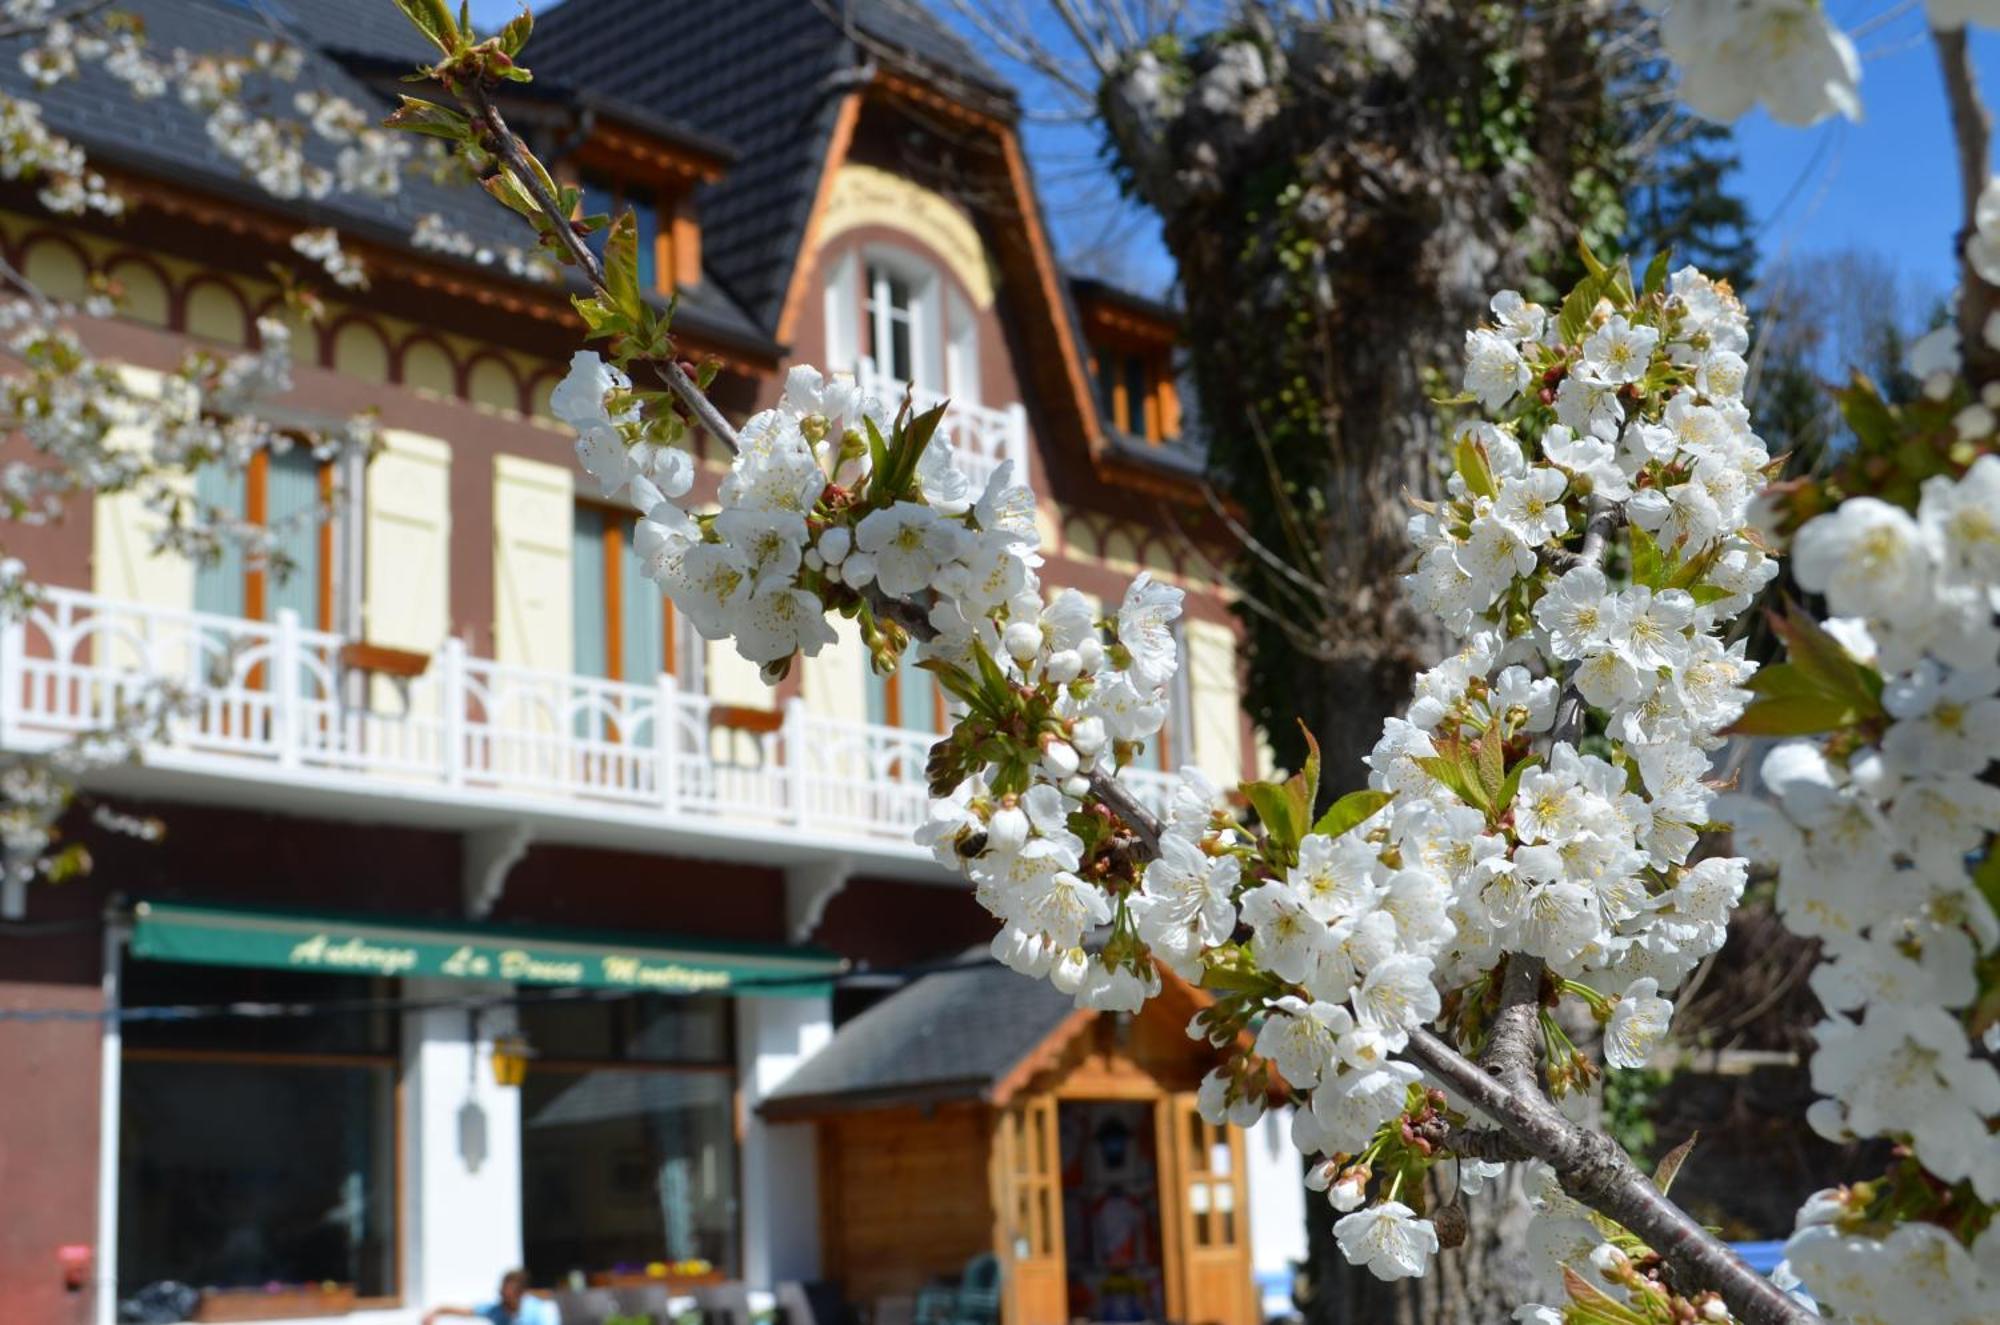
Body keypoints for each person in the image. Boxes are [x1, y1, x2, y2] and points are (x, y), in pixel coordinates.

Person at [422, 1268, 559, 1325]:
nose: (503, 1298)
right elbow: (465, 1311)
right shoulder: (496, 1310)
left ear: (520, 1295)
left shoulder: (537, 1313)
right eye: (502, 1294)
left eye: (508, 1296)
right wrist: (435, 1312)